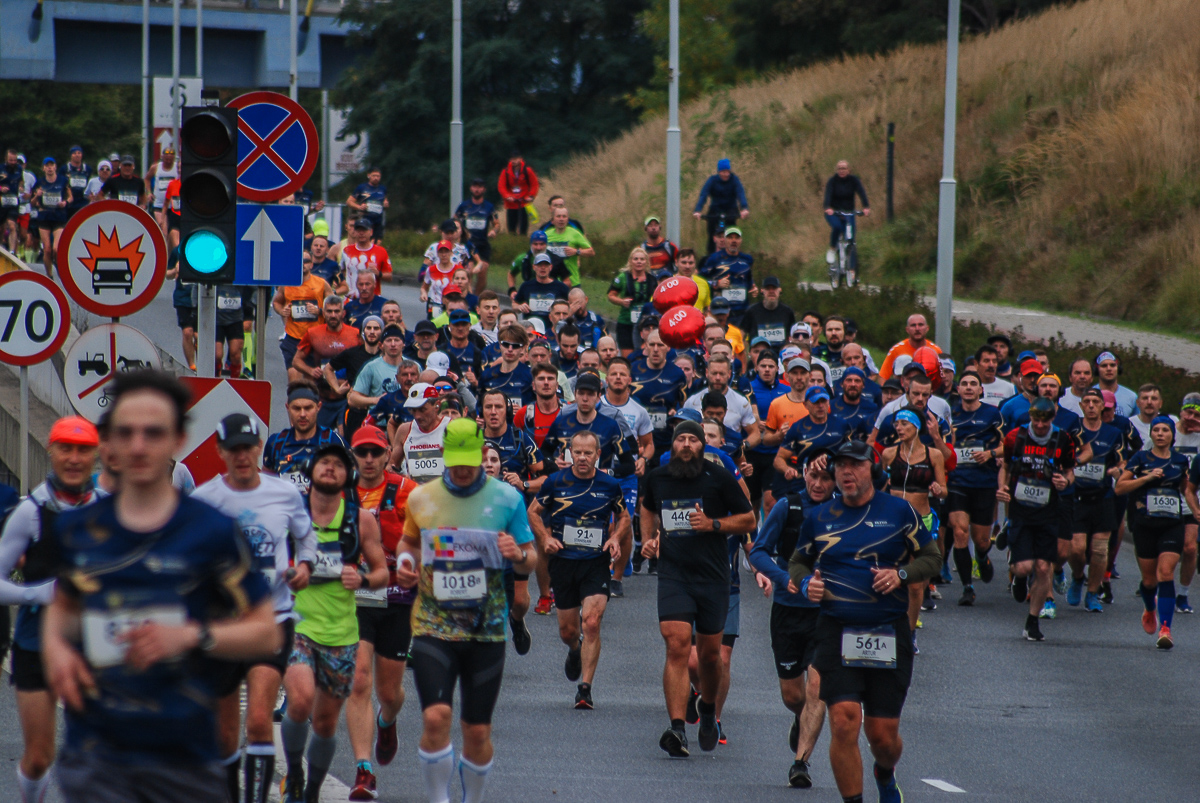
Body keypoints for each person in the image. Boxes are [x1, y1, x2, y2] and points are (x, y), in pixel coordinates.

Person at [42, 371, 280, 803]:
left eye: (153, 433)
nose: (138, 446)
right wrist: (57, 651)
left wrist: (191, 636)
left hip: (183, 757)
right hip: (96, 755)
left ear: (178, 439)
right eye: (126, 432)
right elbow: (62, 609)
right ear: (108, 442)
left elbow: (266, 632)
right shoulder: (77, 530)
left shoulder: (213, 531)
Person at [393, 418, 538, 803]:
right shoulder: (422, 497)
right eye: (455, 461)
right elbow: (409, 542)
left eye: (469, 462)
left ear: (481, 454)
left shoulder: (507, 498)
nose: (461, 469)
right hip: (433, 625)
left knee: (477, 731)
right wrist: (405, 563)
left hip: (485, 631)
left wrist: (517, 555)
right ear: (443, 454)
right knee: (435, 717)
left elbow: (531, 558)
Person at [788, 440, 940, 803]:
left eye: (855, 465)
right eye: (841, 465)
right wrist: (806, 583)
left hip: (887, 630)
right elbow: (797, 562)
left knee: (882, 738)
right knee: (843, 721)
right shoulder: (820, 517)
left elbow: (932, 557)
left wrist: (901, 575)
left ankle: (884, 773)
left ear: (871, 468)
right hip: (836, 630)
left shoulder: (899, 511)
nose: (846, 472)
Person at [190, 414, 316, 803]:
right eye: (234, 449)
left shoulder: (284, 493)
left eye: (248, 448)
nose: (242, 456)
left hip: (271, 619)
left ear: (259, 447)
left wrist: (305, 566)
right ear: (220, 451)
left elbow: (306, 536)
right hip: (225, 626)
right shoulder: (204, 500)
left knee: (259, 720)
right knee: (226, 733)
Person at [279, 441, 389, 803]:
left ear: (348, 476)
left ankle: (311, 791)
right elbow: (266, 561)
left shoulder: (360, 520)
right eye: (323, 462)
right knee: (300, 701)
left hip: (341, 633)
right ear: (310, 471)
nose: (330, 468)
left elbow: (382, 572)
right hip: (298, 625)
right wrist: (288, 574)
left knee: (326, 723)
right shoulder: (291, 514)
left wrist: (363, 579)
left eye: (338, 465)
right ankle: (295, 773)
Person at [0, 417, 102, 803]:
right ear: (51, 451)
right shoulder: (31, 512)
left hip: (94, 645)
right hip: (36, 644)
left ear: (95, 455)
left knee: (93, 753)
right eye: (66, 449)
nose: (74, 458)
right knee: (40, 756)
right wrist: (39, 593)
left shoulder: (109, 510)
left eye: (83, 450)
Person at [640, 420, 756, 756]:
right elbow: (647, 507)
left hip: (713, 577)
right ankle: (677, 729)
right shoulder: (658, 477)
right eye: (682, 440)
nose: (687, 445)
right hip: (674, 575)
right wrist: (649, 540)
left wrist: (713, 524)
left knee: (708, 656)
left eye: (694, 439)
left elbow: (749, 519)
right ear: (673, 445)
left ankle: (706, 708)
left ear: (703, 446)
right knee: (676, 645)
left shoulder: (718, 477)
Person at [341, 426, 420, 799]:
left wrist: (413, 565)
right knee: (358, 680)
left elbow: (425, 537)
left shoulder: (407, 491)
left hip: (397, 597)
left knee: (389, 692)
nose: (369, 460)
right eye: (362, 453)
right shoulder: (341, 492)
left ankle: (387, 720)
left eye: (376, 452)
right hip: (355, 597)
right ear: (353, 456)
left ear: (389, 453)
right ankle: (363, 769)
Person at [748, 455, 833, 789]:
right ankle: (801, 717)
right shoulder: (788, 506)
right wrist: (784, 579)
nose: (818, 484)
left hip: (826, 614)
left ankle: (801, 763)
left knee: (817, 688)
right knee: (793, 696)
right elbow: (758, 552)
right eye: (813, 476)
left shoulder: (845, 511)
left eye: (826, 478)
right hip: (788, 610)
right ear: (804, 474)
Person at [528, 431, 629, 708]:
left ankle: (585, 688)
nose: (582, 458)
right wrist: (545, 538)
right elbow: (533, 512)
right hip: (564, 562)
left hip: (595, 563)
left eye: (588, 453)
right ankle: (575, 649)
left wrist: (615, 538)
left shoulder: (610, 485)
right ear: (570, 452)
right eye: (578, 452)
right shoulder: (555, 481)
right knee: (568, 632)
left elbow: (623, 517)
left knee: (592, 622)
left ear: (598, 455)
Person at [997, 397, 1077, 642]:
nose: (1040, 426)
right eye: (1036, 420)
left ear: (1053, 418)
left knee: (1043, 568)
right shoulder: (1015, 437)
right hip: (1020, 510)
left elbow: (1070, 471)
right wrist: (1002, 487)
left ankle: (1032, 621)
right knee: (1023, 567)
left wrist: (1065, 481)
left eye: (1045, 421)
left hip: (1048, 511)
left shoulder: (1063, 439)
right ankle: (1019, 577)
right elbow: (1005, 466)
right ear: (1030, 417)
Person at [1116, 416, 1190, 649]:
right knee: (1149, 581)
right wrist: (1146, 478)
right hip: (1145, 524)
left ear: (1172, 435)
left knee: (1166, 573)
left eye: (1165, 430)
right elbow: (1120, 487)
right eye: (1156, 430)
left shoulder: (1180, 461)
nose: (1160, 434)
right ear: (1151, 434)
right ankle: (1150, 608)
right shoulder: (1140, 458)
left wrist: (1194, 508)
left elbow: (1186, 489)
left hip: (1172, 523)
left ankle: (1165, 629)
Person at [880, 410, 948, 642]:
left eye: (904, 424)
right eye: (896, 424)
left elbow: (944, 489)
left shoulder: (934, 455)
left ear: (916, 427)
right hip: (892, 522)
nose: (899, 428)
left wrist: (938, 490)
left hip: (921, 520)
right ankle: (888, 625)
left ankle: (909, 633)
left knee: (916, 584)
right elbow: (879, 486)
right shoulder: (889, 453)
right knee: (887, 575)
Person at [946, 370, 1005, 605]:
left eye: (973, 384)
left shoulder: (992, 414)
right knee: (960, 532)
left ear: (981, 390)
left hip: (984, 483)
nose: (969, 387)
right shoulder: (951, 414)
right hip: (957, 481)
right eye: (964, 384)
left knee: (981, 541)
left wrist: (991, 454)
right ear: (958, 389)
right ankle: (967, 587)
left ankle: (981, 557)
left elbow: (1007, 445)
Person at [1068, 388, 1126, 613]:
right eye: (1087, 401)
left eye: (1095, 401)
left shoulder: (1113, 433)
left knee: (1100, 551)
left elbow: (1122, 461)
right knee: (1077, 550)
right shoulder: (1073, 430)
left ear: (1103, 406)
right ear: (1081, 405)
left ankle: (1092, 593)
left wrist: (1118, 471)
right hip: (1077, 497)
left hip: (1103, 498)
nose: (1091, 405)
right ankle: (1077, 576)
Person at [291, 295, 361, 431]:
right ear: (323, 313)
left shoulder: (355, 335)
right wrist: (310, 370)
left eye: (337, 311)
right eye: (329, 311)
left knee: (343, 438)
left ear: (343, 313)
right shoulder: (313, 333)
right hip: (322, 397)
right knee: (318, 437)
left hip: (346, 399)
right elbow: (296, 361)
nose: (333, 315)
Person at [264, 382, 347, 491]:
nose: (302, 414)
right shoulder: (276, 443)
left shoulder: (333, 441)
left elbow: (351, 481)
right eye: (297, 408)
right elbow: (266, 487)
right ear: (287, 407)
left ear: (318, 407)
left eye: (308, 408)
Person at [273, 255, 334, 371]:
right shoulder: (287, 284)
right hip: (293, 336)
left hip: (315, 338)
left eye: (306, 261)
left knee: (311, 377)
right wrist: (282, 311)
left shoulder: (321, 283)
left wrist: (319, 311)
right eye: (299, 261)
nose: (302, 264)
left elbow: (334, 306)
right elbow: (276, 302)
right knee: (293, 376)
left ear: (311, 265)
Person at [692, 158, 750, 254]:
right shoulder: (712, 180)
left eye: (728, 172)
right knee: (712, 234)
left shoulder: (734, 180)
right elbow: (704, 195)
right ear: (719, 172)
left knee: (732, 233)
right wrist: (698, 210)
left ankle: (733, 254)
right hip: (715, 210)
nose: (726, 174)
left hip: (731, 210)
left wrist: (744, 208)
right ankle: (710, 256)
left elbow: (740, 193)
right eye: (723, 172)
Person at [700, 227, 756, 326]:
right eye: (730, 238)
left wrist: (753, 287)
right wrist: (716, 284)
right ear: (725, 240)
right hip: (721, 311)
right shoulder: (714, 259)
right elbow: (700, 280)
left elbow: (748, 280)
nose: (734, 241)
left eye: (736, 238)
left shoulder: (747, 259)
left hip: (742, 311)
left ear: (741, 240)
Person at [607, 246, 657, 355]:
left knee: (645, 354)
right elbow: (611, 295)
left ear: (646, 262)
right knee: (629, 357)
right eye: (636, 259)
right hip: (626, 322)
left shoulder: (652, 279)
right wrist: (621, 301)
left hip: (646, 324)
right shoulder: (623, 277)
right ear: (630, 261)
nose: (639, 262)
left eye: (642, 259)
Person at [822, 159, 871, 265]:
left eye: (844, 168)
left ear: (849, 170)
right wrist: (827, 207)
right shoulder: (832, 181)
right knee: (837, 227)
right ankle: (832, 249)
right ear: (836, 170)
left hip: (849, 212)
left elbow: (861, 192)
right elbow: (828, 195)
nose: (841, 170)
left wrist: (866, 207)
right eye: (839, 168)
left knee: (851, 239)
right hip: (834, 213)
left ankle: (852, 270)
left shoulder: (854, 180)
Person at [455, 178, 500, 292]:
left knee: (482, 271)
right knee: (468, 271)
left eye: (479, 187)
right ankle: (466, 294)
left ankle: (476, 297)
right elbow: (454, 221)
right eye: (475, 186)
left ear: (484, 189)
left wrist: (494, 231)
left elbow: (496, 224)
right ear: (471, 188)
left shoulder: (489, 207)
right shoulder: (464, 206)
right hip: (467, 244)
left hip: (482, 244)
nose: (477, 189)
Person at [31, 156, 71, 277]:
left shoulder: (63, 181)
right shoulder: (39, 183)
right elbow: (32, 203)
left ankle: (59, 265)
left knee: (56, 249)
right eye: (47, 166)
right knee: (47, 250)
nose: (49, 168)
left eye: (51, 165)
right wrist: (37, 196)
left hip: (59, 216)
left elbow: (70, 197)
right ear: (43, 168)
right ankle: (50, 276)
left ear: (55, 167)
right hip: (44, 217)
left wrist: (65, 202)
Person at [480, 325, 534, 409]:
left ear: (523, 348)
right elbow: (479, 405)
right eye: (506, 344)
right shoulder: (487, 375)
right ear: (500, 345)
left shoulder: (531, 375)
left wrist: (524, 411)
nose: (510, 349)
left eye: (515, 346)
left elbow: (539, 405)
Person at [514, 253, 572, 328]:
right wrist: (519, 307)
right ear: (534, 267)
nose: (543, 268)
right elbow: (514, 305)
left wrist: (563, 310)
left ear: (551, 267)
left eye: (546, 265)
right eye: (540, 265)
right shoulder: (526, 286)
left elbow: (571, 305)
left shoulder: (561, 287)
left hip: (552, 330)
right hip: (531, 330)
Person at [738, 276, 795, 350]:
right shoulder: (752, 311)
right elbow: (740, 335)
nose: (771, 291)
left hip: (781, 355)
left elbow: (794, 336)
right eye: (768, 288)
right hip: (758, 355)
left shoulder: (787, 312)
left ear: (780, 290)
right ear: (762, 291)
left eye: (774, 288)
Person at [878, 314, 940, 381]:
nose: (917, 329)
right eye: (913, 325)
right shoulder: (897, 350)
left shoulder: (935, 351)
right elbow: (883, 377)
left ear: (927, 328)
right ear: (907, 329)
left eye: (920, 325)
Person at [340, 218, 393, 295]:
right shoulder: (347, 251)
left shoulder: (381, 251)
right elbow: (341, 271)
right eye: (359, 230)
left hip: (373, 298)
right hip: (351, 298)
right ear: (355, 232)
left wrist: (378, 273)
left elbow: (389, 277)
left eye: (364, 230)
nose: (361, 233)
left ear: (371, 232)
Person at [544, 206, 593, 286]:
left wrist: (576, 251)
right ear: (552, 220)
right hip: (551, 282)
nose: (561, 219)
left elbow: (591, 251)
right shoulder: (546, 235)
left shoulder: (575, 234)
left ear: (568, 219)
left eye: (564, 216)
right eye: (558, 216)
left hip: (572, 281)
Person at [498, 151, 539, 235]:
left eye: (516, 159)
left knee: (523, 229)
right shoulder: (506, 171)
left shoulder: (527, 170)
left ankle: (522, 240)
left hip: (524, 203)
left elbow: (534, 184)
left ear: (520, 159)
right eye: (512, 159)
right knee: (511, 229)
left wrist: (531, 196)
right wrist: (507, 196)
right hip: (511, 204)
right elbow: (501, 186)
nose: (514, 161)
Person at [347, 167, 389, 241]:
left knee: (378, 242)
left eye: (378, 176)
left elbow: (385, 201)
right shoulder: (362, 188)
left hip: (378, 220)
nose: (376, 178)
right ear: (369, 175)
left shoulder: (383, 189)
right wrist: (359, 207)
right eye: (374, 176)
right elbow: (349, 202)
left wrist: (386, 204)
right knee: (366, 240)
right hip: (365, 219)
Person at [144, 147, 177, 237]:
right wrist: (149, 193)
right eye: (166, 158)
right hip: (159, 204)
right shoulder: (156, 167)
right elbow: (147, 179)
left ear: (174, 158)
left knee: (173, 232)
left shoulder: (177, 167)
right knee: (163, 231)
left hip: (174, 205)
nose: (168, 161)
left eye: (170, 159)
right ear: (162, 157)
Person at [1094, 351, 1137, 417]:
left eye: (1112, 365)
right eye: (1104, 366)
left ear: (1118, 368)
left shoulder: (1132, 397)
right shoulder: (1090, 394)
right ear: (1097, 370)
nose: (1109, 369)